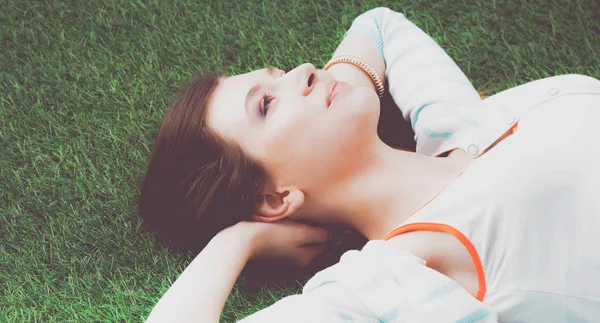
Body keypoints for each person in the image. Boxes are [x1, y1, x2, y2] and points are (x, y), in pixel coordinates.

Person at [139, 7, 600, 323]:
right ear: (274, 199)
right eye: (265, 105)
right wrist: (238, 240)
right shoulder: (399, 274)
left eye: (278, 74)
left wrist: (331, 94)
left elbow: (378, 26)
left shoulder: (458, 128)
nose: (304, 70)